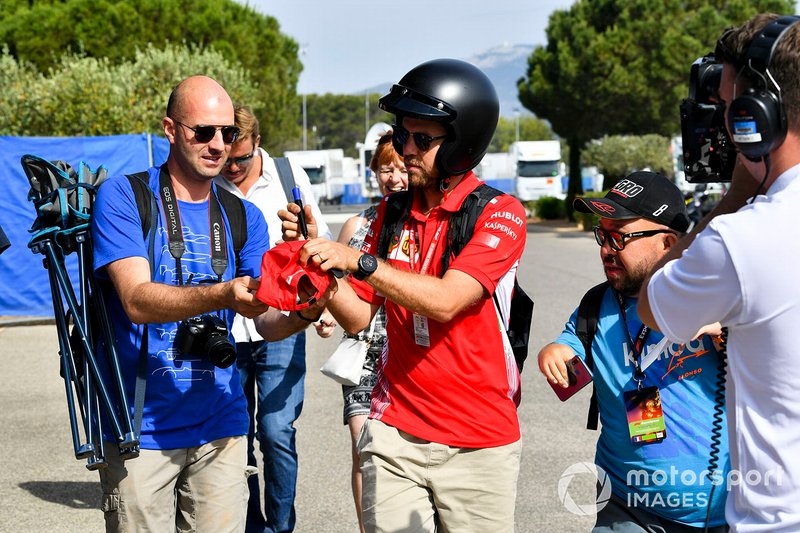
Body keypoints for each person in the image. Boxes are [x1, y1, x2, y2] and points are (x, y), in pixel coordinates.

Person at [281, 58, 525, 532]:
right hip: (394, 432)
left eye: (422, 140)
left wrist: (361, 262)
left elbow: (447, 300)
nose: (406, 149)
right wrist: (318, 260)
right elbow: (357, 319)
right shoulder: (389, 214)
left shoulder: (500, 213)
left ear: (462, 142)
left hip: (478, 443)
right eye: (400, 135)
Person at [90, 75, 331, 533]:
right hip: (141, 430)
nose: (218, 144)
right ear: (170, 129)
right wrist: (222, 293)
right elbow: (137, 301)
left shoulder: (244, 215)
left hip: (222, 424)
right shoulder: (125, 197)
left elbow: (269, 322)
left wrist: (309, 303)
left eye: (228, 133)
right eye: (203, 132)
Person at [639, 13, 800, 530]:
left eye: (731, 109)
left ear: (761, 116)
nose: (726, 126)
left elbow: (652, 305)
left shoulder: (741, 238)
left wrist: (732, 198)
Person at [538, 171, 729, 532]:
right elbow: (570, 342)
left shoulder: (713, 295)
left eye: (620, 238)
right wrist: (555, 351)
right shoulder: (597, 304)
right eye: (602, 235)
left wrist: (729, 334)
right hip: (626, 504)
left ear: (668, 241)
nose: (606, 249)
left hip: (719, 511)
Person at [215, 104, 332, 533]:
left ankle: (281, 527)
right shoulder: (207, 180)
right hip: (227, 326)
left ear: (257, 143)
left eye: (241, 158)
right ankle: (249, 525)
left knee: (276, 430)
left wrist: (318, 305)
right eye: (226, 158)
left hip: (281, 323)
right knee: (234, 437)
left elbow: (317, 241)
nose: (232, 167)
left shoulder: (288, 177)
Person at [327, 129, 407, 532]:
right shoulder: (356, 224)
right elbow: (335, 286)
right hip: (363, 350)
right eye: (384, 169)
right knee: (363, 448)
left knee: (400, 453)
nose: (393, 177)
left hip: (410, 354)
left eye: (400, 167)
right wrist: (326, 313)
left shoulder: (421, 224)